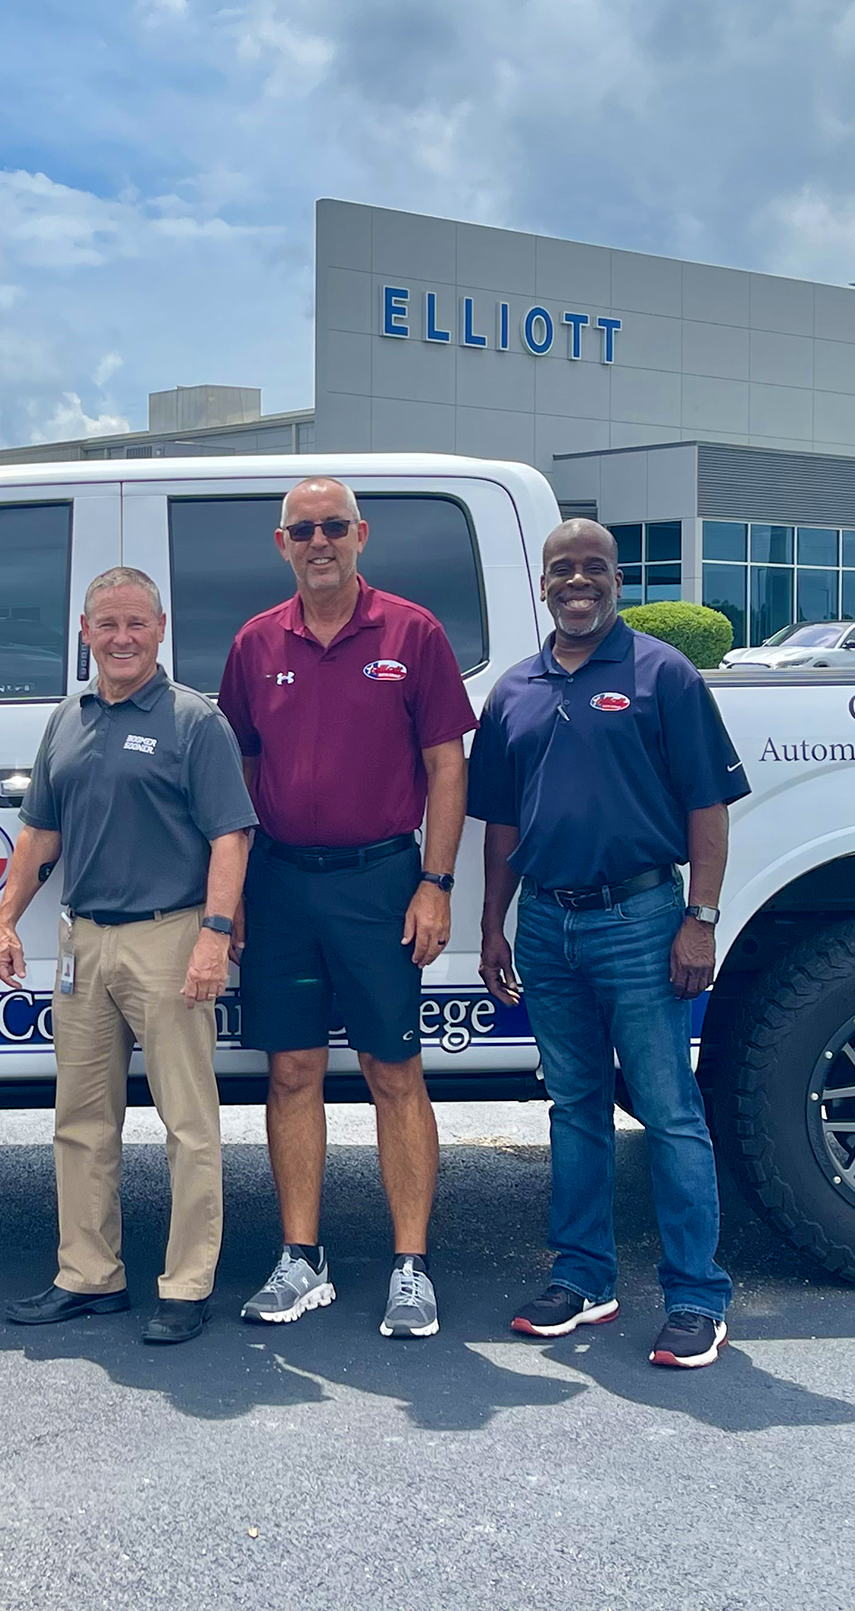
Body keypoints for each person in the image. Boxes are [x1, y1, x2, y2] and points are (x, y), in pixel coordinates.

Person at [471, 517, 749, 1369]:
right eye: (564, 569)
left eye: (594, 568)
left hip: (642, 921)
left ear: (618, 581)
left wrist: (699, 918)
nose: (577, 581)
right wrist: (495, 923)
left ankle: (697, 1296)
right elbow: (502, 820)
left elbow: (708, 806)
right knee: (574, 1108)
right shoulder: (515, 689)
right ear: (544, 584)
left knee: (669, 1113)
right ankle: (585, 1278)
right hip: (549, 926)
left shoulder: (663, 675)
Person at [217, 477, 475, 1339]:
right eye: (303, 529)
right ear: (280, 542)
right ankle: (303, 1259)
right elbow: (241, 777)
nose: (319, 541)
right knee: (290, 1072)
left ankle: (411, 1264)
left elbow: (447, 767)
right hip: (282, 883)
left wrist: (434, 885)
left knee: (392, 1072)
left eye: (334, 527)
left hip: (381, 883)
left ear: (361, 535)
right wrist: (238, 891)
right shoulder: (256, 643)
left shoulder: (412, 632)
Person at [0, 566, 257, 1346]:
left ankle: (186, 1285)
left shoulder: (193, 721)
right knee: (81, 1121)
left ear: (161, 629)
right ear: (84, 632)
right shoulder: (66, 720)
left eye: (136, 623)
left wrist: (214, 934)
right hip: (84, 941)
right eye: (106, 624)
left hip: (170, 938)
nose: (122, 638)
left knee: (188, 1123)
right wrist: (8, 921)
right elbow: (41, 833)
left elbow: (229, 838)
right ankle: (89, 1275)